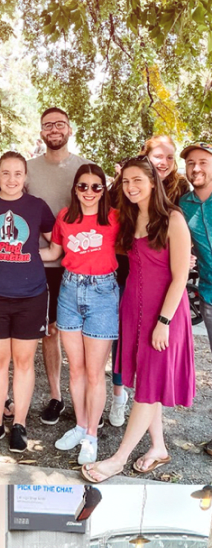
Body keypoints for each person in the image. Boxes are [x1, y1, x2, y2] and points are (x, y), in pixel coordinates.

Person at [81, 157, 195, 482]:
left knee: (149, 387)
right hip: (134, 308)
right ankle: (158, 447)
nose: (131, 188)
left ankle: (118, 459)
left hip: (164, 314)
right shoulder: (129, 218)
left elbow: (179, 278)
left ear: (152, 181)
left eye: (138, 181)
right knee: (150, 382)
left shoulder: (172, 218)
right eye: (126, 181)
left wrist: (164, 321)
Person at [0, 151, 56, 453]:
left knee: (24, 362)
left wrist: (35, 255)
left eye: (18, 173)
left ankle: (20, 424)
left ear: (25, 176)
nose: (12, 179)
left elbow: (57, 245)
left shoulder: (37, 206)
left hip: (31, 296)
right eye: (6, 173)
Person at [41, 163, 121, 466]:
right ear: (75, 189)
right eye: (83, 186)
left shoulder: (115, 218)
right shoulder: (65, 216)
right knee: (75, 369)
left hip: (102, 294)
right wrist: (15, 254)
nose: (89, 192)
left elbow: (137, 244)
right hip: (70, 292)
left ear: (104, 189)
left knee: (93, 371)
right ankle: (78, 426)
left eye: (96, 187)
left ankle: (91, 436)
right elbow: (53, 253)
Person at [25, 107, 84, 425]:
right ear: (42, 132)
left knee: (78, 334)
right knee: (49, 332)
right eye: (48, 125)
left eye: (60, 123)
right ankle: (56, 397)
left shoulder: (84, 168)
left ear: (69, 129)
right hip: (43, 262)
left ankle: (84, 401)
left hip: (79, 265)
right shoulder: (29, 170)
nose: (54, 129)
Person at [180, 140, 212, 456]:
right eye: (191, 163)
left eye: (203, 161)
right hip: (210, 295)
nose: (197, 168)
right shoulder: (184, 204)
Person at [140, 134, 190, 206]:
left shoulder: (181, 185)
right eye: (158, 157)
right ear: (146, 158)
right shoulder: (129, 180)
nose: (164, 162)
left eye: (170, 158)